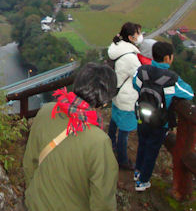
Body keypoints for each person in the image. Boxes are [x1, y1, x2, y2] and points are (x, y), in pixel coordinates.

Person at [23, 63, 118, 211]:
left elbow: (30, 163)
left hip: (35, 203)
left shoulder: (46, 111)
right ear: (105, 101)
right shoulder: (99, 141)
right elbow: (103, 201)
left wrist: (33, 195)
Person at [133, 41, 194, 191]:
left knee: (143, 144)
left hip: (142, 116)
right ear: (168, 58)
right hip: (159, 123)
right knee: (152, 151)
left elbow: (136, 84)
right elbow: (189, 93)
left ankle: (137, 171)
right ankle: (143, 181)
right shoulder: (171, 78)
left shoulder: (142, 71)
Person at [107, 22, 143, 170]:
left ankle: (110, 144)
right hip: (127, 97)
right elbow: (140, 78)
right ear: (130, 37)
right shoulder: (130, 58)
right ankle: (122, 160)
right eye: (138, 34)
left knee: (115, 120)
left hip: (115, 92)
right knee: (124, 131)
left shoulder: (116, 46)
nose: (140, 36)